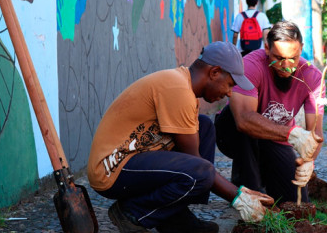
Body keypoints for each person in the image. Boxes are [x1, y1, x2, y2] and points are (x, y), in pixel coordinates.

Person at [88, 41, 274, 233]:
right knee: (200, 173)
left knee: (205, 128)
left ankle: (174, 217)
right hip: (111, 169)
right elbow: (197, 164)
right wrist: (239, 198)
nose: (229, 93)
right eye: (229, 85)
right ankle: (132, 212)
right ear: (215, 72)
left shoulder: (183, 86)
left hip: (135, 159)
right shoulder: (177, 89)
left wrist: (241, 192)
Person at [215, 21, 325, 204]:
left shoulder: (312, 77)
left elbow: (317, 132)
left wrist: (309, 161)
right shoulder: (250, 65)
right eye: (279, 58)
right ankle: (249, 191)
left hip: (276, 140)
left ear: (301, 49)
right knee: (244, 127)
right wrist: (292, 133)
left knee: (296, 202)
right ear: (267, 48)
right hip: (233, 134)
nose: (286, 66)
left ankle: (262, 176)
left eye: (293, 58)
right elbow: (243, 120)